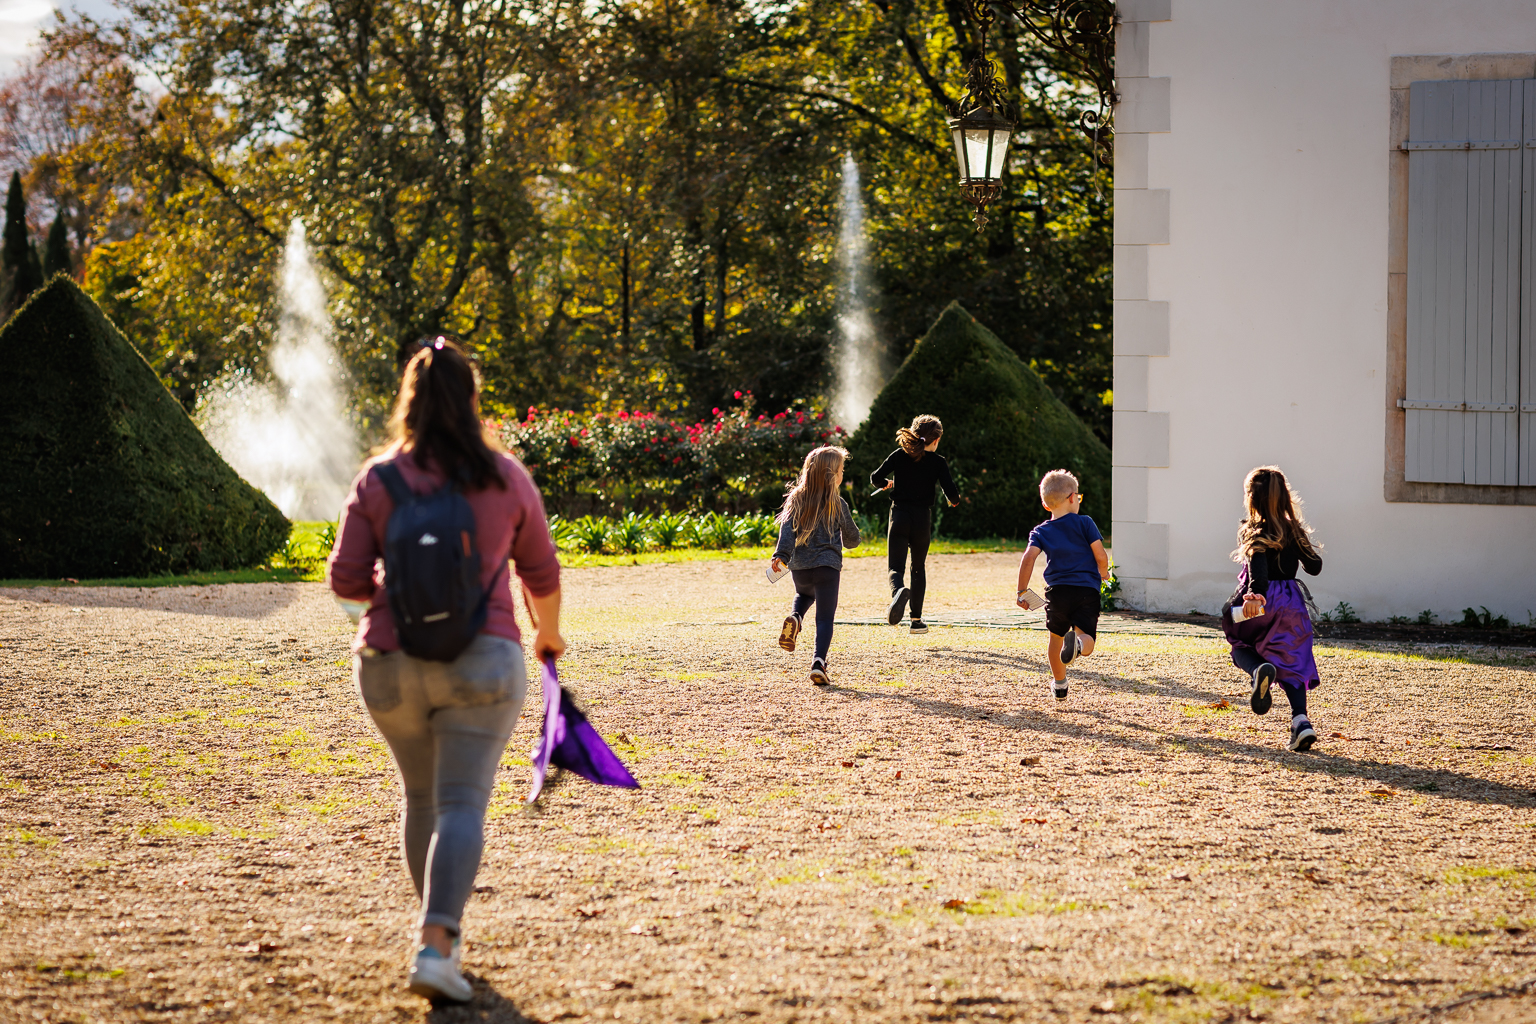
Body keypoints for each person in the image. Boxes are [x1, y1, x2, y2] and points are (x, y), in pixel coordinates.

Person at [327, 336, 564, 1003]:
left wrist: (384, 623)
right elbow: (541, 572)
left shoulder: (378, 479)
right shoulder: (503, 475)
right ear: (470, 399)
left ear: (409, 398)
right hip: (482, 661)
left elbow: (345, 580)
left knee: (423, 798)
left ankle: (440, 938)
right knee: (461, 801)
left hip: (388, 669)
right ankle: (436, 945)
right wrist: (547, 637)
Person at [1221, 465, 1324, 752]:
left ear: (1252, 499)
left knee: (1239, 642)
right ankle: (1301, 721)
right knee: (1293, 663)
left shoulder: (1253, 530)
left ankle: (1257, 670)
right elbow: (1314, 567)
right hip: (1291, 603)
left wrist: (1255, 594)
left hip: (1261, 602)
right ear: (1285, 497)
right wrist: (1301, 544)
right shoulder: (1293, 530)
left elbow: (1258, 570)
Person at [1014, 469, 1110, 700]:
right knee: (1086, 637)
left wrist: (1022, 591)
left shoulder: (1040, 531)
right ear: (1072, 498)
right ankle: (1077, 644)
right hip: (1087, 590)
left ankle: (1060, 683)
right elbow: (1100, 555)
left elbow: (1028, 558)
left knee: (1055, 639)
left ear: (1047, 506)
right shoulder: (1085, 523)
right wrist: (1104, 573)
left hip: (1057, 593)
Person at [771, 445, 861, 685]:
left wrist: (781, 555)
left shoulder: (796, 500)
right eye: (841, 470)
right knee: (824, 618)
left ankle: (796, 617)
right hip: (828, 568)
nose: (843, 474)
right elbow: (853, 540)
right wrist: (852, 537)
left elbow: (787, 532)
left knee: (803, 593)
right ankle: (818, 663)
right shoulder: (838, 503)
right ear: (832, 475)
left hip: (800, 568)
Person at [870, 414, 959, 634]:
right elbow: (953, 494)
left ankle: (898, 591)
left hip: (899, 515)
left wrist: (885, 484)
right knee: (918, 568)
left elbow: (875, 477)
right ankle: (916, 621)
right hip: (922, 520)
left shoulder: (900, 455)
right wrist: (953, 501)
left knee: (895, 567)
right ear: (936, 440)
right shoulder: (939, 462)